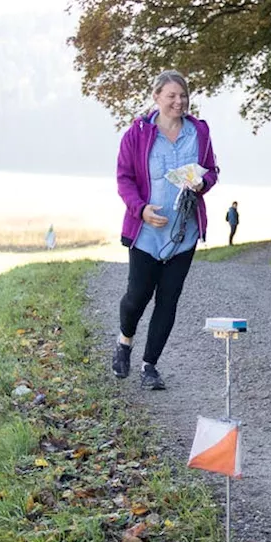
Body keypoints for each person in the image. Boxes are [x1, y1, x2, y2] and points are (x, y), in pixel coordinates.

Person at [113, 70, 220, 390]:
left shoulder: (199, 132)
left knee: (168, 300)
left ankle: (150, 366)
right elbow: (124, 179)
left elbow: (212, 171)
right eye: (172, 95)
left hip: (182, 235)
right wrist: (141, 210)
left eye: (183, 95)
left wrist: (203, 183)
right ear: (157, 97)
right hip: (146, 235)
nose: (179, 101)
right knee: (137, 297)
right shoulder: (137, 135)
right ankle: (124, 343)